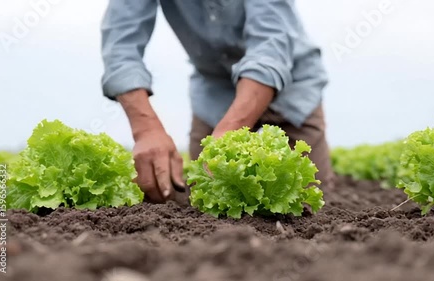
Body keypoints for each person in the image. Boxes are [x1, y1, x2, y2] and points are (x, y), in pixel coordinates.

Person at [101, 0, 335, 203]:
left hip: (291, 89)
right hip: (214, 93)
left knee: (305, 202)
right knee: (205, 199)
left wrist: (227, 133)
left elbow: (270, 48)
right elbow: (121, 47)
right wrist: (146, 130)